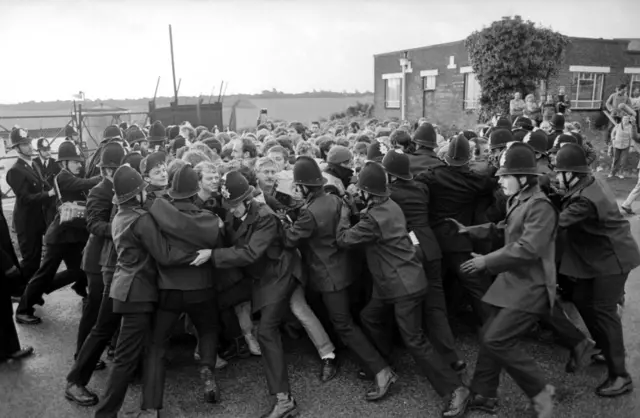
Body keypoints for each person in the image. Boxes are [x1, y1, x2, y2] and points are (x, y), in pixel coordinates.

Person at [336, 161, 471, 417]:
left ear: (367, 192)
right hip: (399, 280)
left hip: (402, 286)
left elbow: (344, 240)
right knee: (370, 316)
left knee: (415, 340)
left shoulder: (374, 218)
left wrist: (343, 215)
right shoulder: (390, 205)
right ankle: (384, 365)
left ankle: (455, 389)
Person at [452, 142, 557, 417]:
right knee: (489, 335)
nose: (500, 180)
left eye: (505, 175)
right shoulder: (519, 200)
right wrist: (471, 230)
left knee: (497, 339)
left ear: (523, 178)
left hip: (532, 286)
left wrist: (485, 261)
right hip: (513, 281)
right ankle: (485, 395)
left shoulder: (541, 206)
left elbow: (528, 248)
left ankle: (541, 392)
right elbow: (504, 229)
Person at [190, 170, 304, 418]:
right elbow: (231, 240)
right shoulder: (233, 214)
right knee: (215, 302)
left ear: (248, 199)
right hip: (257, 276)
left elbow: (250, 253)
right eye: (228, 205)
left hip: (277, 274)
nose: (231, 210)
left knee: (266, 331)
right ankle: (213, 346)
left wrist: (213, 255)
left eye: (235, 205)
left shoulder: (265, 216)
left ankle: (284, 400)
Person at [92, 165, 198, 418]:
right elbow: (165, 255)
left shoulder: (120, 215)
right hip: (138, 293)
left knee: (141, 350)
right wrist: (197, 254)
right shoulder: (141, 220)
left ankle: (150, 409)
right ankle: (105, 413)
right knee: (125, 359)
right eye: (142, 190)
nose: (146, 194)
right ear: (136, 194)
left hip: (125, 288)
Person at [282, 156, 388, 384]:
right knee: (346, 320)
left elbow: (289, 240)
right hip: (344, 268)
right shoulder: (332, 198)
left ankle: (381, 369)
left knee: (344, 324)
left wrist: (281, 224)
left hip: (327, 276)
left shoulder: (308, 213)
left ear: (302, 186)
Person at [554, 144, 640, 397]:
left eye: (560, 173)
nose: (557, 178)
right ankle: (604, 347)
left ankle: (620, 376)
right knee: (581, 298)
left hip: (613, 259)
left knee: (604, 311)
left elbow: (556, 223)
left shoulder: (583, 200)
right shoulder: (587, 182)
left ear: (572, 174)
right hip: (600, 256)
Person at [142, 165, 225, 410]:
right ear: (194, 190)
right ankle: (208, 374)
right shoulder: (210, 220)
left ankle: (151, 404)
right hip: (202, 288)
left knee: (157, 344)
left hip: (169, 289)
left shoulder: (158, 214)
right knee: (208, 330)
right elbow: (218, 246)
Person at [382, 149, 464, 372]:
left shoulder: (390, 194)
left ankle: (400, 350)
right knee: (436, 305)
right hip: (431, 246)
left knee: (407, 303)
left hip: (410, 250)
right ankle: (452, 355)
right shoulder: (421, 188)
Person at [15, 141, 101, 325]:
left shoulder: (68, 175)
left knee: (80, 269)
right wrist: (107, 177)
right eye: (75, 161)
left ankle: (79, 291)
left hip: (71, 236)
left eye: (80, 161)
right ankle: (23, 309)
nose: (79, 164)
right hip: (60, 237)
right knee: (45, 273)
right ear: (64, 163)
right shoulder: (63, 177)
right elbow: (86, 183)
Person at [76, 142, 125, 369]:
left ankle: (105, 348)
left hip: (111, 258)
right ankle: (81, 355)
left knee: (106, 311)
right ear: (104, 170)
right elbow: (94, 224)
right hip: (96, 260)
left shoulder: (121, 186)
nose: (118, 172)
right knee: (93, 310)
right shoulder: (99, 190)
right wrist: (120, 229)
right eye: (114, 169)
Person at [5, 127, 56, 286]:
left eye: (29, 143)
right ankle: (21, 294)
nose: (29, 146)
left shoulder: (33, 164)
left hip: (37, 219)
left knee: (37, 259)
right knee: (30, 261)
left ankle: (31, 293)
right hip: (26, 222)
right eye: (24, 144)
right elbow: (25, 198)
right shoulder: (15, 170)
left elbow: (44, 185)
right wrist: (48, 194)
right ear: (16, 148)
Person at [33, 137, 61, 226]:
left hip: (51, 200)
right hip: (39, 198)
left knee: (51, 222)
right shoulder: (34, 163)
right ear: (39, 151)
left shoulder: (55, 163)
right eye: (44, 150)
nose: (48, 152)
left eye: (49, 149)